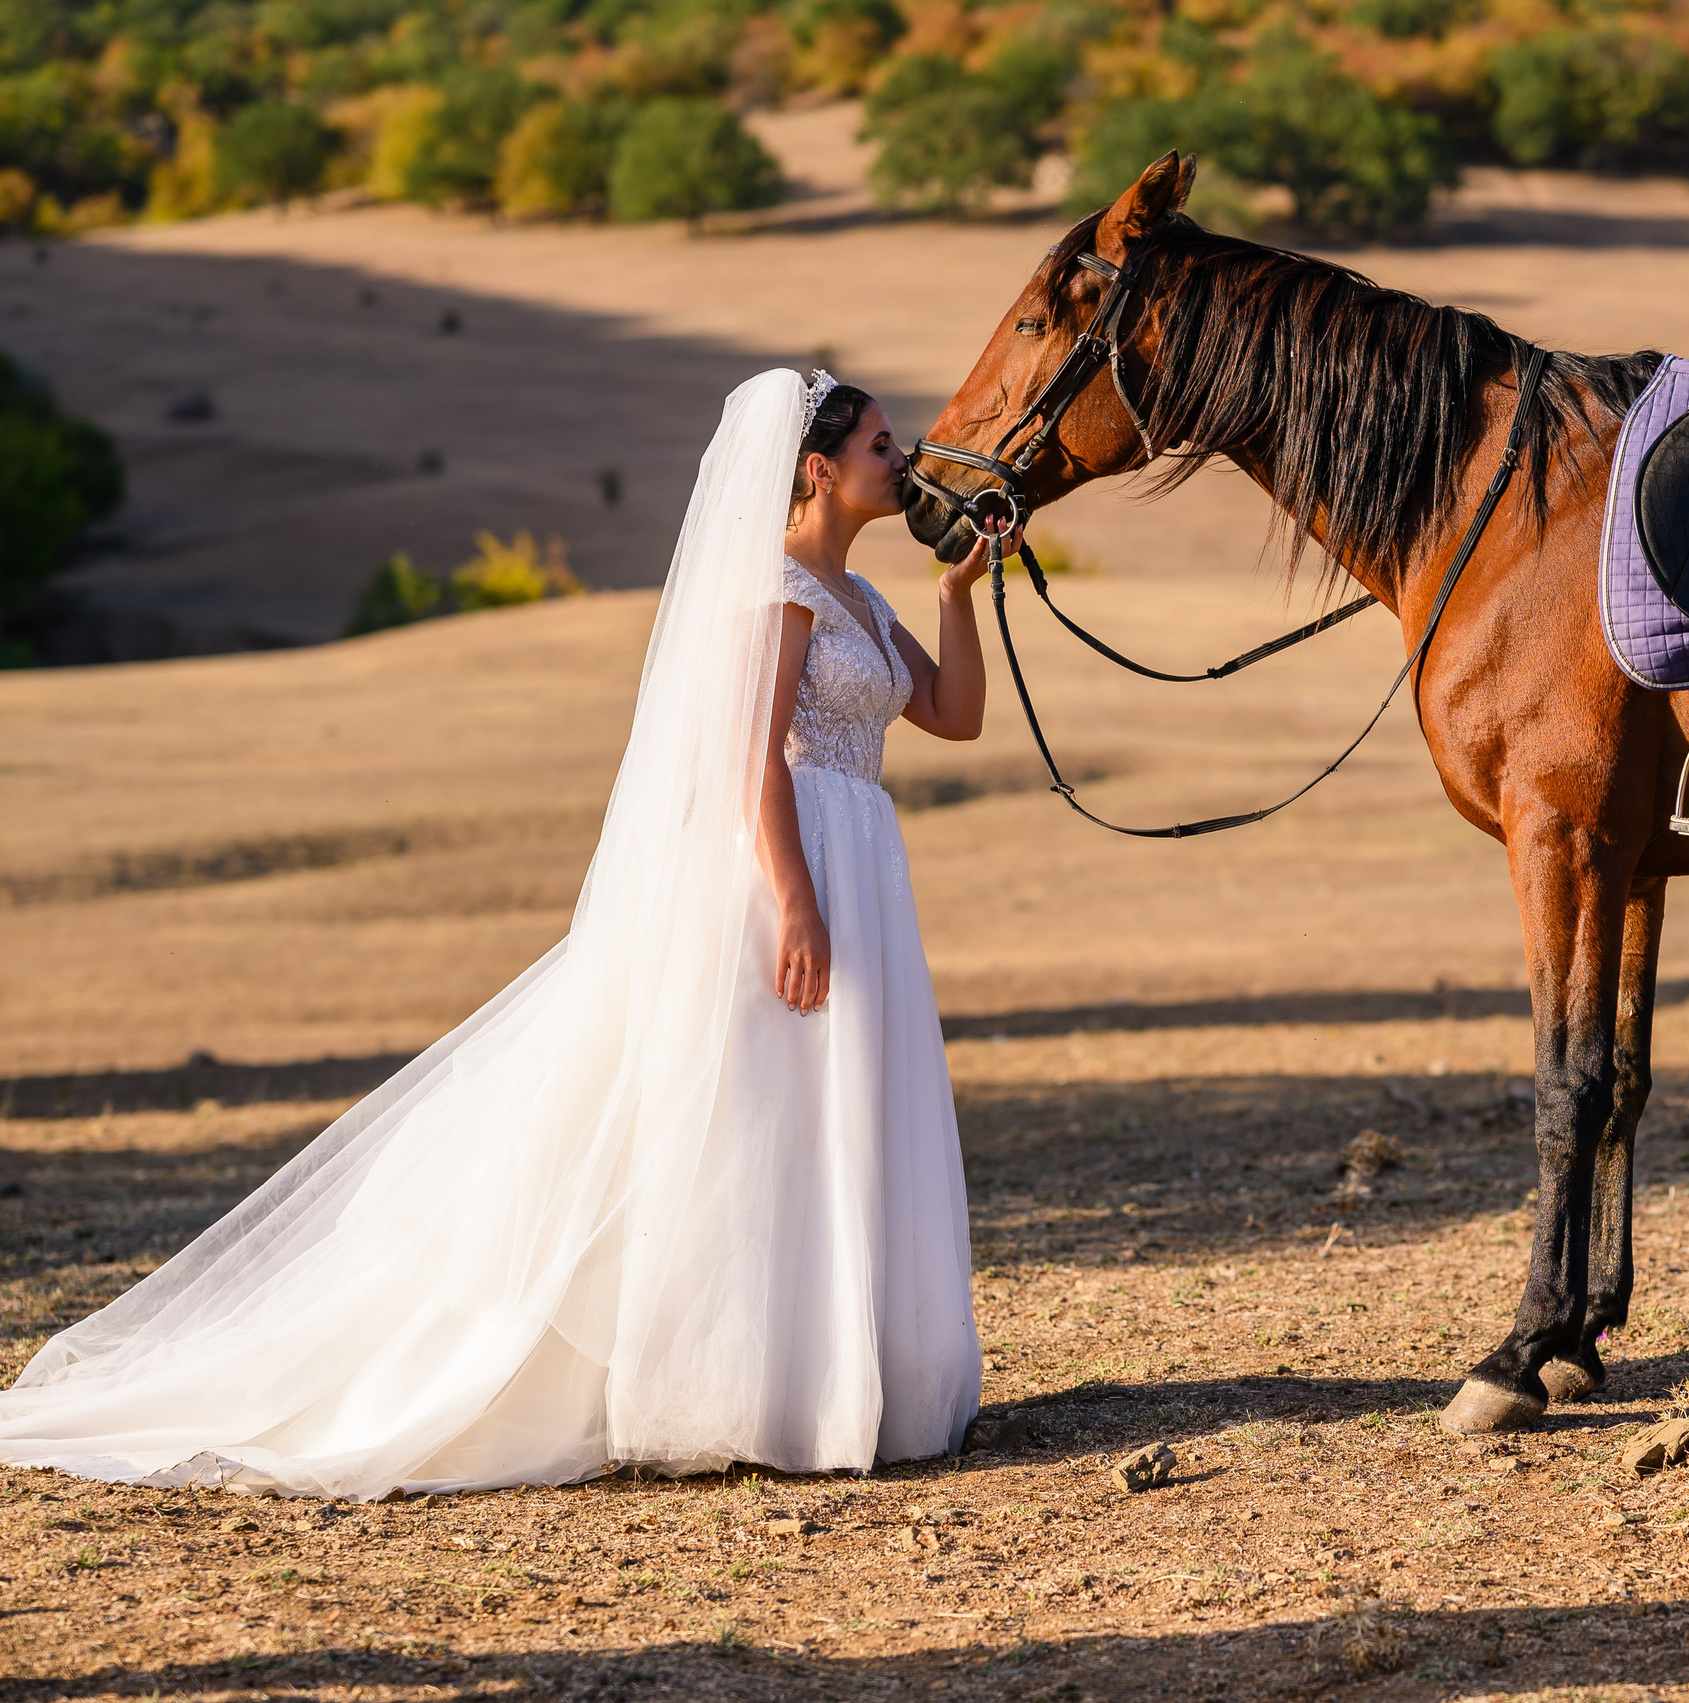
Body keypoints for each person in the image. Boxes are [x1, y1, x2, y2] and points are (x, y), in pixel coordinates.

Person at [0, 369, 994, 1498]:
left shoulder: (867, 600)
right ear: (817, 468)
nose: (898, 457)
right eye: (878, 442)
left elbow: (953, 715)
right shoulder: (776, 592)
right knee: (759, 1113)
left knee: (841, 1108)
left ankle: (839, 1372)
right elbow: (750, 759)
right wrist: (798, 899)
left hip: (865, 856)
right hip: (793, 866)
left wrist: (962, 592)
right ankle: (749, 1384)